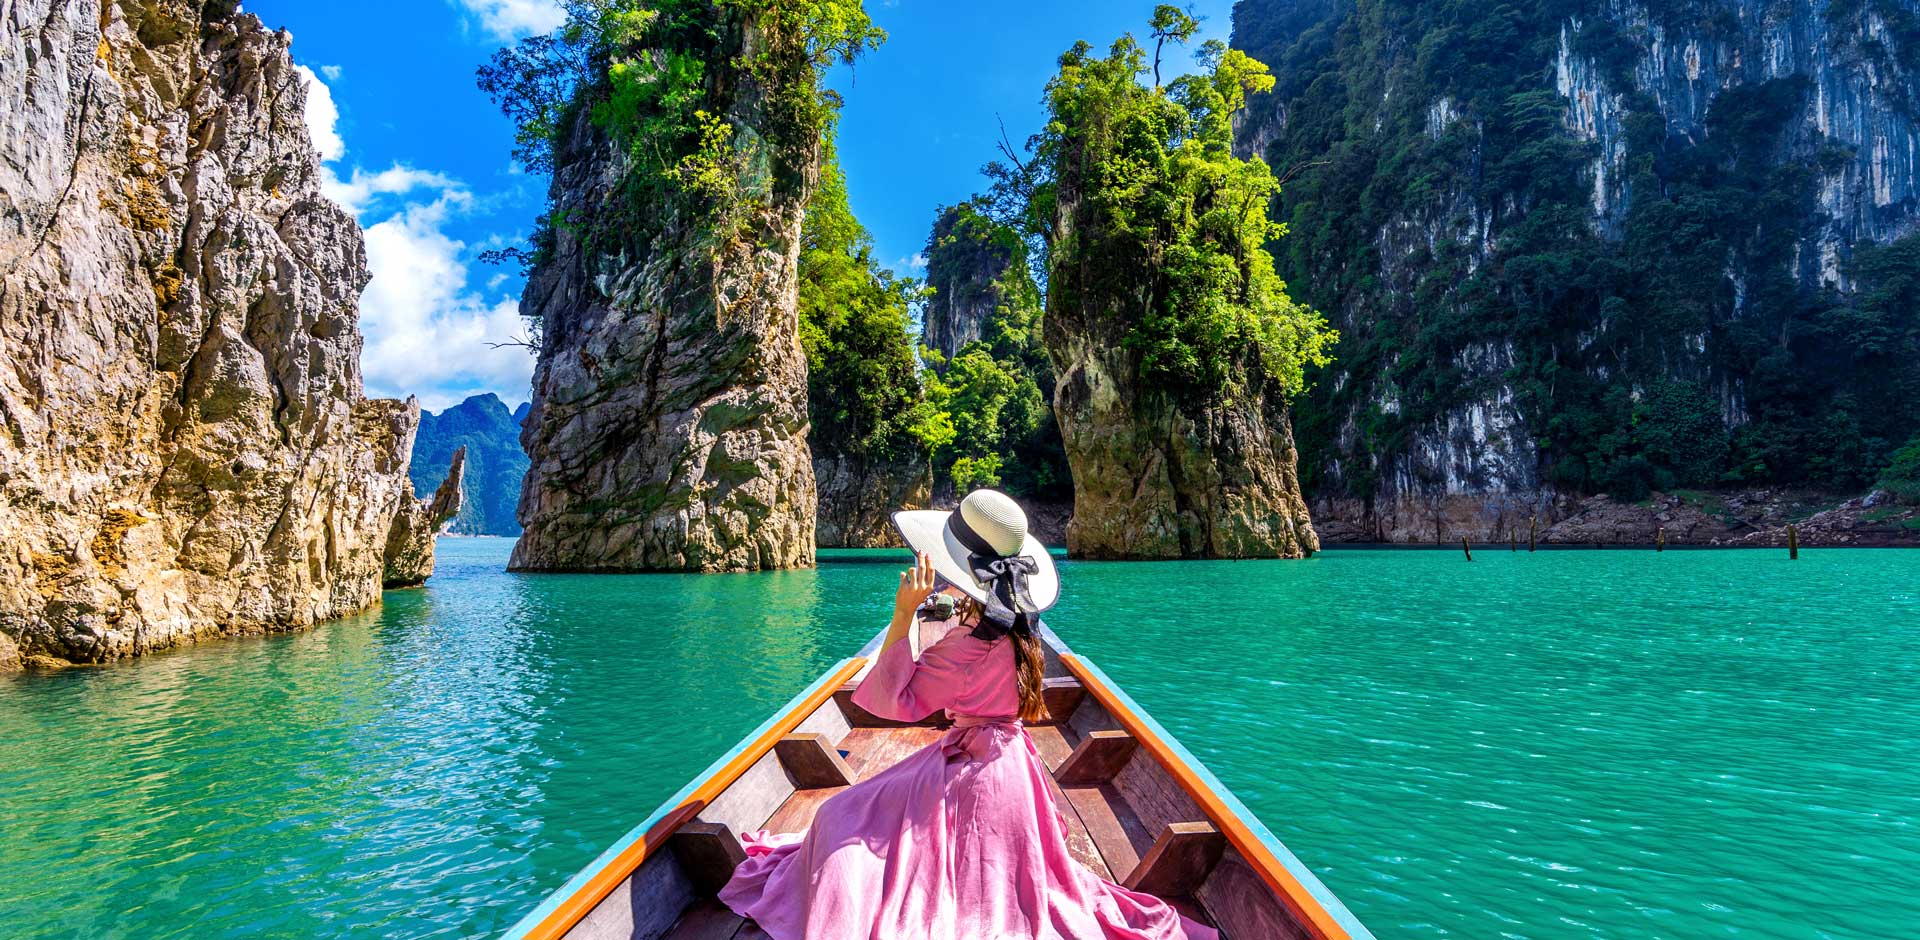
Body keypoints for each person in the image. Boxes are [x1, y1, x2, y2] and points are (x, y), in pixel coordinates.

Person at [719, 489, 1215, 939]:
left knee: (833, 819)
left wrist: (903, 612)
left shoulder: (967, 647)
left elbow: (896, 701)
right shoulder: (1019, 625)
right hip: (1013, 773)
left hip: (971, 775)